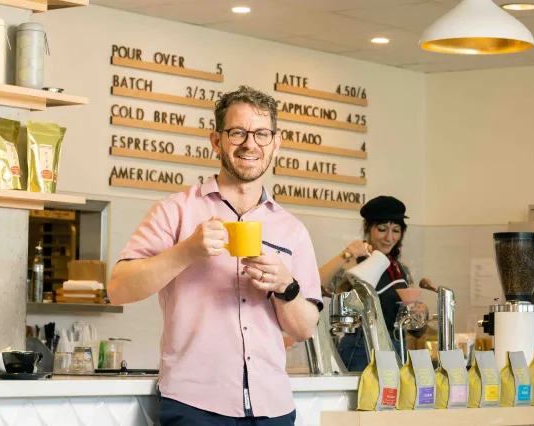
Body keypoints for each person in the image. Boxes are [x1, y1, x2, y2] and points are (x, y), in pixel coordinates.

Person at [108, 86, 322, 426]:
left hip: (274, 407)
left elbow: (305, 329)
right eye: (237, 132)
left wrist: (286, 286)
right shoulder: (175, 211)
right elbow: (118, 288)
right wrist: (186, 251)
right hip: (195, 405)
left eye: (262, 134)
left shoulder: (292, 229)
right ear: (216, 141)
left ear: (275, 144)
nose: (250, 144)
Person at [319, 195, 413, 371]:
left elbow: (408, 318)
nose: (389, 237)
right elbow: (313, 284)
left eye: (396, 230)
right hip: (360, 351)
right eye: (382, 229)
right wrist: (345, 255)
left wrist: (418, 312)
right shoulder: (354, 262)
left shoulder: (401, 270)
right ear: (367, 228)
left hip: (396, 348)